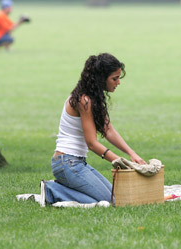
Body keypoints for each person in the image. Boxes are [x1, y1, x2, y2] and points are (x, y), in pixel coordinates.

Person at [42, 53, 145, 206]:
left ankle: (60, 189)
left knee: (117, 198)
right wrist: (118, 161)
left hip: (76, 163)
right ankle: (53, 190)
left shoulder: (92, 97)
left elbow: (108, 130)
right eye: (114, 78)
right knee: (113, 202)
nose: (118, 83)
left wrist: (131, 153)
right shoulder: (84, 100)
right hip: (67, 163)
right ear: (101, 78)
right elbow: (92, 143)